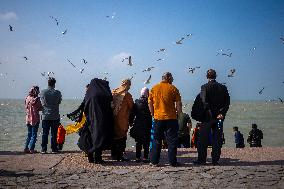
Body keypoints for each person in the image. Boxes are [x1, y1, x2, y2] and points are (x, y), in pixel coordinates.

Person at [193, 69, 230, 165]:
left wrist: (213, 113)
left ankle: (201, 160)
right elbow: (227, 102)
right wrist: (222, 113)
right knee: (217, 139)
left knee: (202, 140)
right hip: (219, 117)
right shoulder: (223, 87)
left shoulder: (204, 87)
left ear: (206, 77)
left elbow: (205, 102)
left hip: (207, 117)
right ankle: (215, 160)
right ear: (216, 76)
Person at [148, 72, 182, 167]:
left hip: (158, 118)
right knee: (172, 141)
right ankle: (172, 162)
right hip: (171, 118)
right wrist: (179, 115)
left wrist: (153, 114)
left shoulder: (154, 88)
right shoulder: (173, 88)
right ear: (169, 78)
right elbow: (178, 104)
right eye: (172, 78)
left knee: (156, 140)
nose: (173, 79)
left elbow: (150, 103)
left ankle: (154, 161)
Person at [81, 78, 114, 163]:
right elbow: (109, 105)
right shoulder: (104, 94)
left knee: (90, 137)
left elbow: (84, 106)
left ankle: (90, 157)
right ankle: (98, 158)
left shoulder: (89, 94)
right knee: (99, 137)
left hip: (89, 119)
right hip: (101, 119)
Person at [111, 79, 134, 161]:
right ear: (127, 85)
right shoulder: (127, 95)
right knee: (122, 138)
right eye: (129, 85)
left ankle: (113, 154)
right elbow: (132, 107)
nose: (130, 87)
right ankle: (120, 156)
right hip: (122, 120)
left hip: (112, 119)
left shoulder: (114, 92)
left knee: (114, 137)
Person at [130, 87, 152, 163]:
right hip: (147, 124)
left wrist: (130, 122)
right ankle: (145, 157)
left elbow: (132, 114)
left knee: (138, 142)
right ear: (148, 94)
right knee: (146, 142)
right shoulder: (150, 103)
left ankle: (137, 157)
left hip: (138, 124)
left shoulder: (136, 102)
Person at [40, 77, 62, 154]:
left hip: (45, 115)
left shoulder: (43, 92)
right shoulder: (58, 93)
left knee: (45, 133)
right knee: (54, 133)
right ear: (54, 83)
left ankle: (43, 149)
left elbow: (42, 103)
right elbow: (59, 102)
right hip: (55, 116)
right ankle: (54, 149)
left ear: (48, 83)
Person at [24, 86, 42, 154]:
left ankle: (26, 148)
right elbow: (40, 108)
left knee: (29, 134)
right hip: (35, 119)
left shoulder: (27, 98)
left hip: (28, 118)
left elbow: (25, 106)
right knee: (34, 135)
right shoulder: (36, 99)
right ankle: (31, 149)